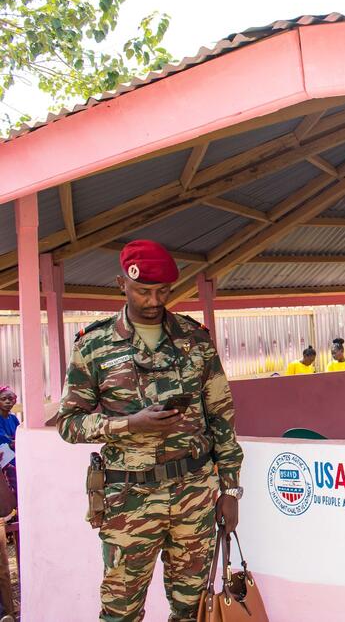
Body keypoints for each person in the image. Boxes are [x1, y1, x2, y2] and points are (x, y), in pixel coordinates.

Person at [56, 240, 243, 622]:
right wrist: (129, 424)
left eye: (162, 291)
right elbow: (68, 424)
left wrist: (231, 489)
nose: (154, 300)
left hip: (194, 494)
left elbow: (222, 416)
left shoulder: (195, 339)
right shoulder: (94, 345)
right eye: (143, 290)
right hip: (129, 500)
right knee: (120, 613)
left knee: (193, 610)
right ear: (121, 284)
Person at [0, 387, 17, 496]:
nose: (7, 401)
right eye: (4, 399)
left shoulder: (13, 418)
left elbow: (18, 436)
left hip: (13, 454)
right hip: (3, 456)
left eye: (11, 399)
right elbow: (5, 439)